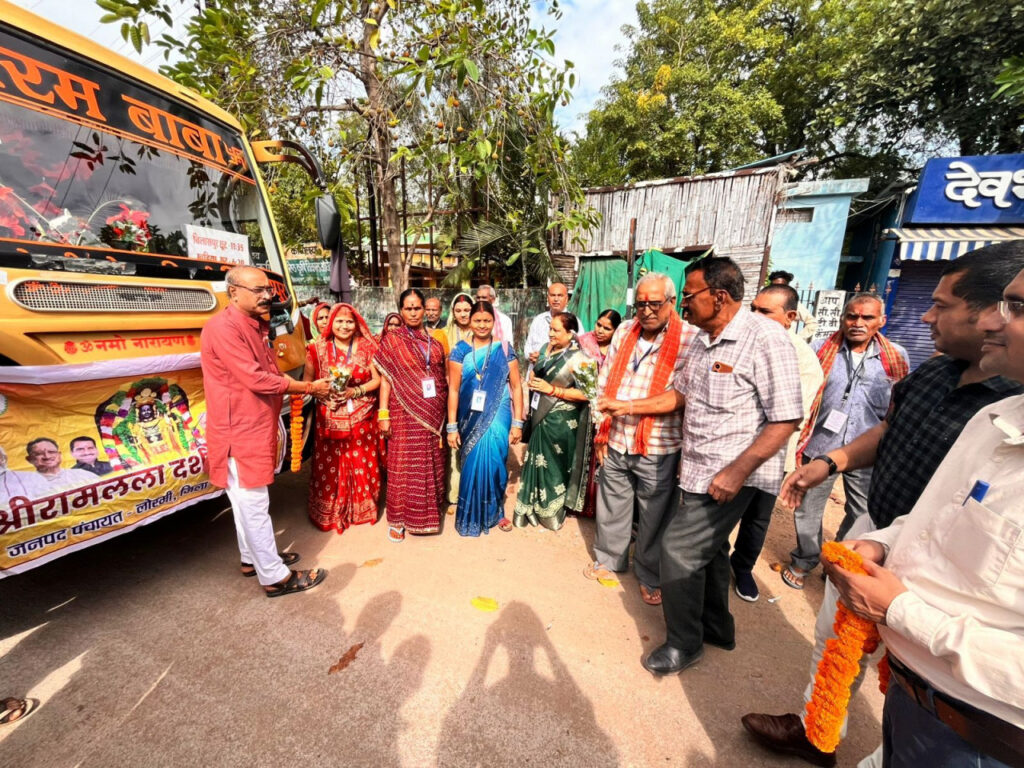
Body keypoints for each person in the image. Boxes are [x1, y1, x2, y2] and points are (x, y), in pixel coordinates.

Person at [741, 244, 1024, 768]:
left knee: (907, 681)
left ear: (988, 311)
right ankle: (819, 731)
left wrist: (902, 609)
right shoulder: (943, 379)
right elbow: (891, 432)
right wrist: (832, 462)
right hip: (883, 534)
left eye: (941, 305)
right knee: (836, 642)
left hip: (968, 699)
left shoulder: (999, 400)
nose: (926, 316)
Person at [821, 269, 1024, 767]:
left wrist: (899, 611)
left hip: (979, 739)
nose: (994, 322)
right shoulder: (995, 419)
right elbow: (945, 518)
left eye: (1017, 307)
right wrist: (885, 542)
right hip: (916, 705)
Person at [632, 256, 803, 675]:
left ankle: (683, 643)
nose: (683, 303)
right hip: (697, 470)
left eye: (689, 295)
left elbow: (786, 418)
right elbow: (682, 394)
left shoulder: (765, 338)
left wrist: (738, 471)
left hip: (731, 476)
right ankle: (717, 628)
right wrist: (627, 406)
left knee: (678, 550)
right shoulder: (702, 340)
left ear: (720, 296)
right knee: (709, 552)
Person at [200, 264, 329, 597]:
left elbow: (270, 370)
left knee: (245, 503)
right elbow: (256, 378)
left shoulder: (255, 325)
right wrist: (309, 387)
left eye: (268, 289)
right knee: (253, 504)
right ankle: (275, 577)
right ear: (233, 292)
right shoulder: (224, 328)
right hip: (239, 431)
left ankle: (251, 560)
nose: (267, 296)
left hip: (252, 426)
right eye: (258, 290)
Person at [780, 293, 909, 590]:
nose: (858, 323)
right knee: (808, 508)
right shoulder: (820, 349)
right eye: (852, 316)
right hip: (821, 444)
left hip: (867, 450)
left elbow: (898, 404)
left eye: (867, 317)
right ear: (842, 319)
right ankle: (805, 559)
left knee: (862, 510)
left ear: (881, 321)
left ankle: (837, 558)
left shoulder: (896, 358)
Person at [586, 275, 694, 606]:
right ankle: (609, 558)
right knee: (612, 504)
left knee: (655, 514)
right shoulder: (624, 330)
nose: (646, 310)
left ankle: (649, 573)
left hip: (659, 444)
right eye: (641, 304)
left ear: (672, 302)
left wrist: (628, 406)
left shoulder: (689, 339)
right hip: (616, 436)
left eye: (654, 303)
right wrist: (601, 429)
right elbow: (604, 381)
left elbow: (682, 396)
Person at [727, 285, 824, 602]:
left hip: (771, 455)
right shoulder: (738, 343)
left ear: (790, 317)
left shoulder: (803, 359)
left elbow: (789, 417)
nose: (755, 316)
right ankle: (712, 566)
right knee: (719, 513)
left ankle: (742, 567)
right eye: (753, 309)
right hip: (729, 448)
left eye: (765, 311)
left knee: (756, 518)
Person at [513, 312, 598, 530]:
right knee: (536, 460)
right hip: (539, 415)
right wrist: (533, 379)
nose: (551, 333)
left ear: (570, 333)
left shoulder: (580, 358)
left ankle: (550, 510)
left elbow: (589, 394)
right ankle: (531, 506)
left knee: (554, 466)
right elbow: (537, 374)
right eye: (550, 328)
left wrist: (553, 390)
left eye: (556, 330)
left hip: (561, 421)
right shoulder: (545, 349)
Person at [446, 301, 524, 536]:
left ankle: (496, 512)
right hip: (468, 415)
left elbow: (517, 387)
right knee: (471, 463)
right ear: (469, 321)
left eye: (487, 321)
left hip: (499, 413)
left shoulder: (505, 349)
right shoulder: (460, 350)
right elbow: (453, 390)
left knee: (496, 462)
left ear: (494, 321)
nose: (482, 325)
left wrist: (517, 423)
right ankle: (470, 515)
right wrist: (451, 427)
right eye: (477, 320)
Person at [375, 288, 448, 541]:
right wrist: (383, 414)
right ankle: (398, 519)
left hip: (433, 412)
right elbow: (386, 380)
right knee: (404, 464)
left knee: (431, 461)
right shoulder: (392, 340)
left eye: (418, 308)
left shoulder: (434, 342)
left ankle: (428, 515)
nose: (414, 313)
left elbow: (442, 376)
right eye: (409, 308)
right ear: (401, 310)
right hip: (403, 412)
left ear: (425, 310)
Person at [303, 303, 382, 534]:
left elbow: (377, 380)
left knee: (361, 461)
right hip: (328, 415)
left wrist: (354, 392)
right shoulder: (316, 348)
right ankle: (330, 510)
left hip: (362, 415)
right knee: (330, 464)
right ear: (331, 323)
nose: (344, 326)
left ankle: (361, 510)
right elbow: (307, 383)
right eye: (339, 321)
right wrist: (322, 395)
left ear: (356, 323)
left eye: (349, 321)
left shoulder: (367, 346)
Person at [575, 309, 622, 519]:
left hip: (608, 408)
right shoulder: (584, 343)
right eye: (598, 325)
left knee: (601, 454)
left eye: (607, 328)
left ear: (615, 331)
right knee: (582, 451)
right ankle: (578, 502)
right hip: (583, 406)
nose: (600, 331)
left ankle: (597, 504)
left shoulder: (620, 348)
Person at [442, 292, 475, 514]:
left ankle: (472, 491)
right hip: (449, 393)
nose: (463, 314)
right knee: (453, 442)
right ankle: (454, 494)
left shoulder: (482, 333)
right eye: (459, 310)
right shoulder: (443, 334)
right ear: (452, 313)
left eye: (467, 310)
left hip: (474, 394)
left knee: (472, 440)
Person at [23, 438, 96, 494]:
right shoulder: (25, 487)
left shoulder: (83, 474)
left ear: (59, 455)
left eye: (51, 452)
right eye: (39, 453)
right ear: (29, 459)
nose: (47, 456)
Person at [524, 282, 570, 364]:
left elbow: (577, 352)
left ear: (566, 299)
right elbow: (528, 347)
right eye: (552, 295)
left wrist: (544, 358)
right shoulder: (538, 320)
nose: (556, 299)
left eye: (560, 295)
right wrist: (532, 356)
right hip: (535, 369)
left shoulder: (573, 322)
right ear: (548, 298)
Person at [769, 270, 819, 341]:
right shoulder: (765, 301)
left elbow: (812, 323)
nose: (777, 289)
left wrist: (796, 339)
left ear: (787, 287)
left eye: (781, 286)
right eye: (774, 286)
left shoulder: (792, 303)